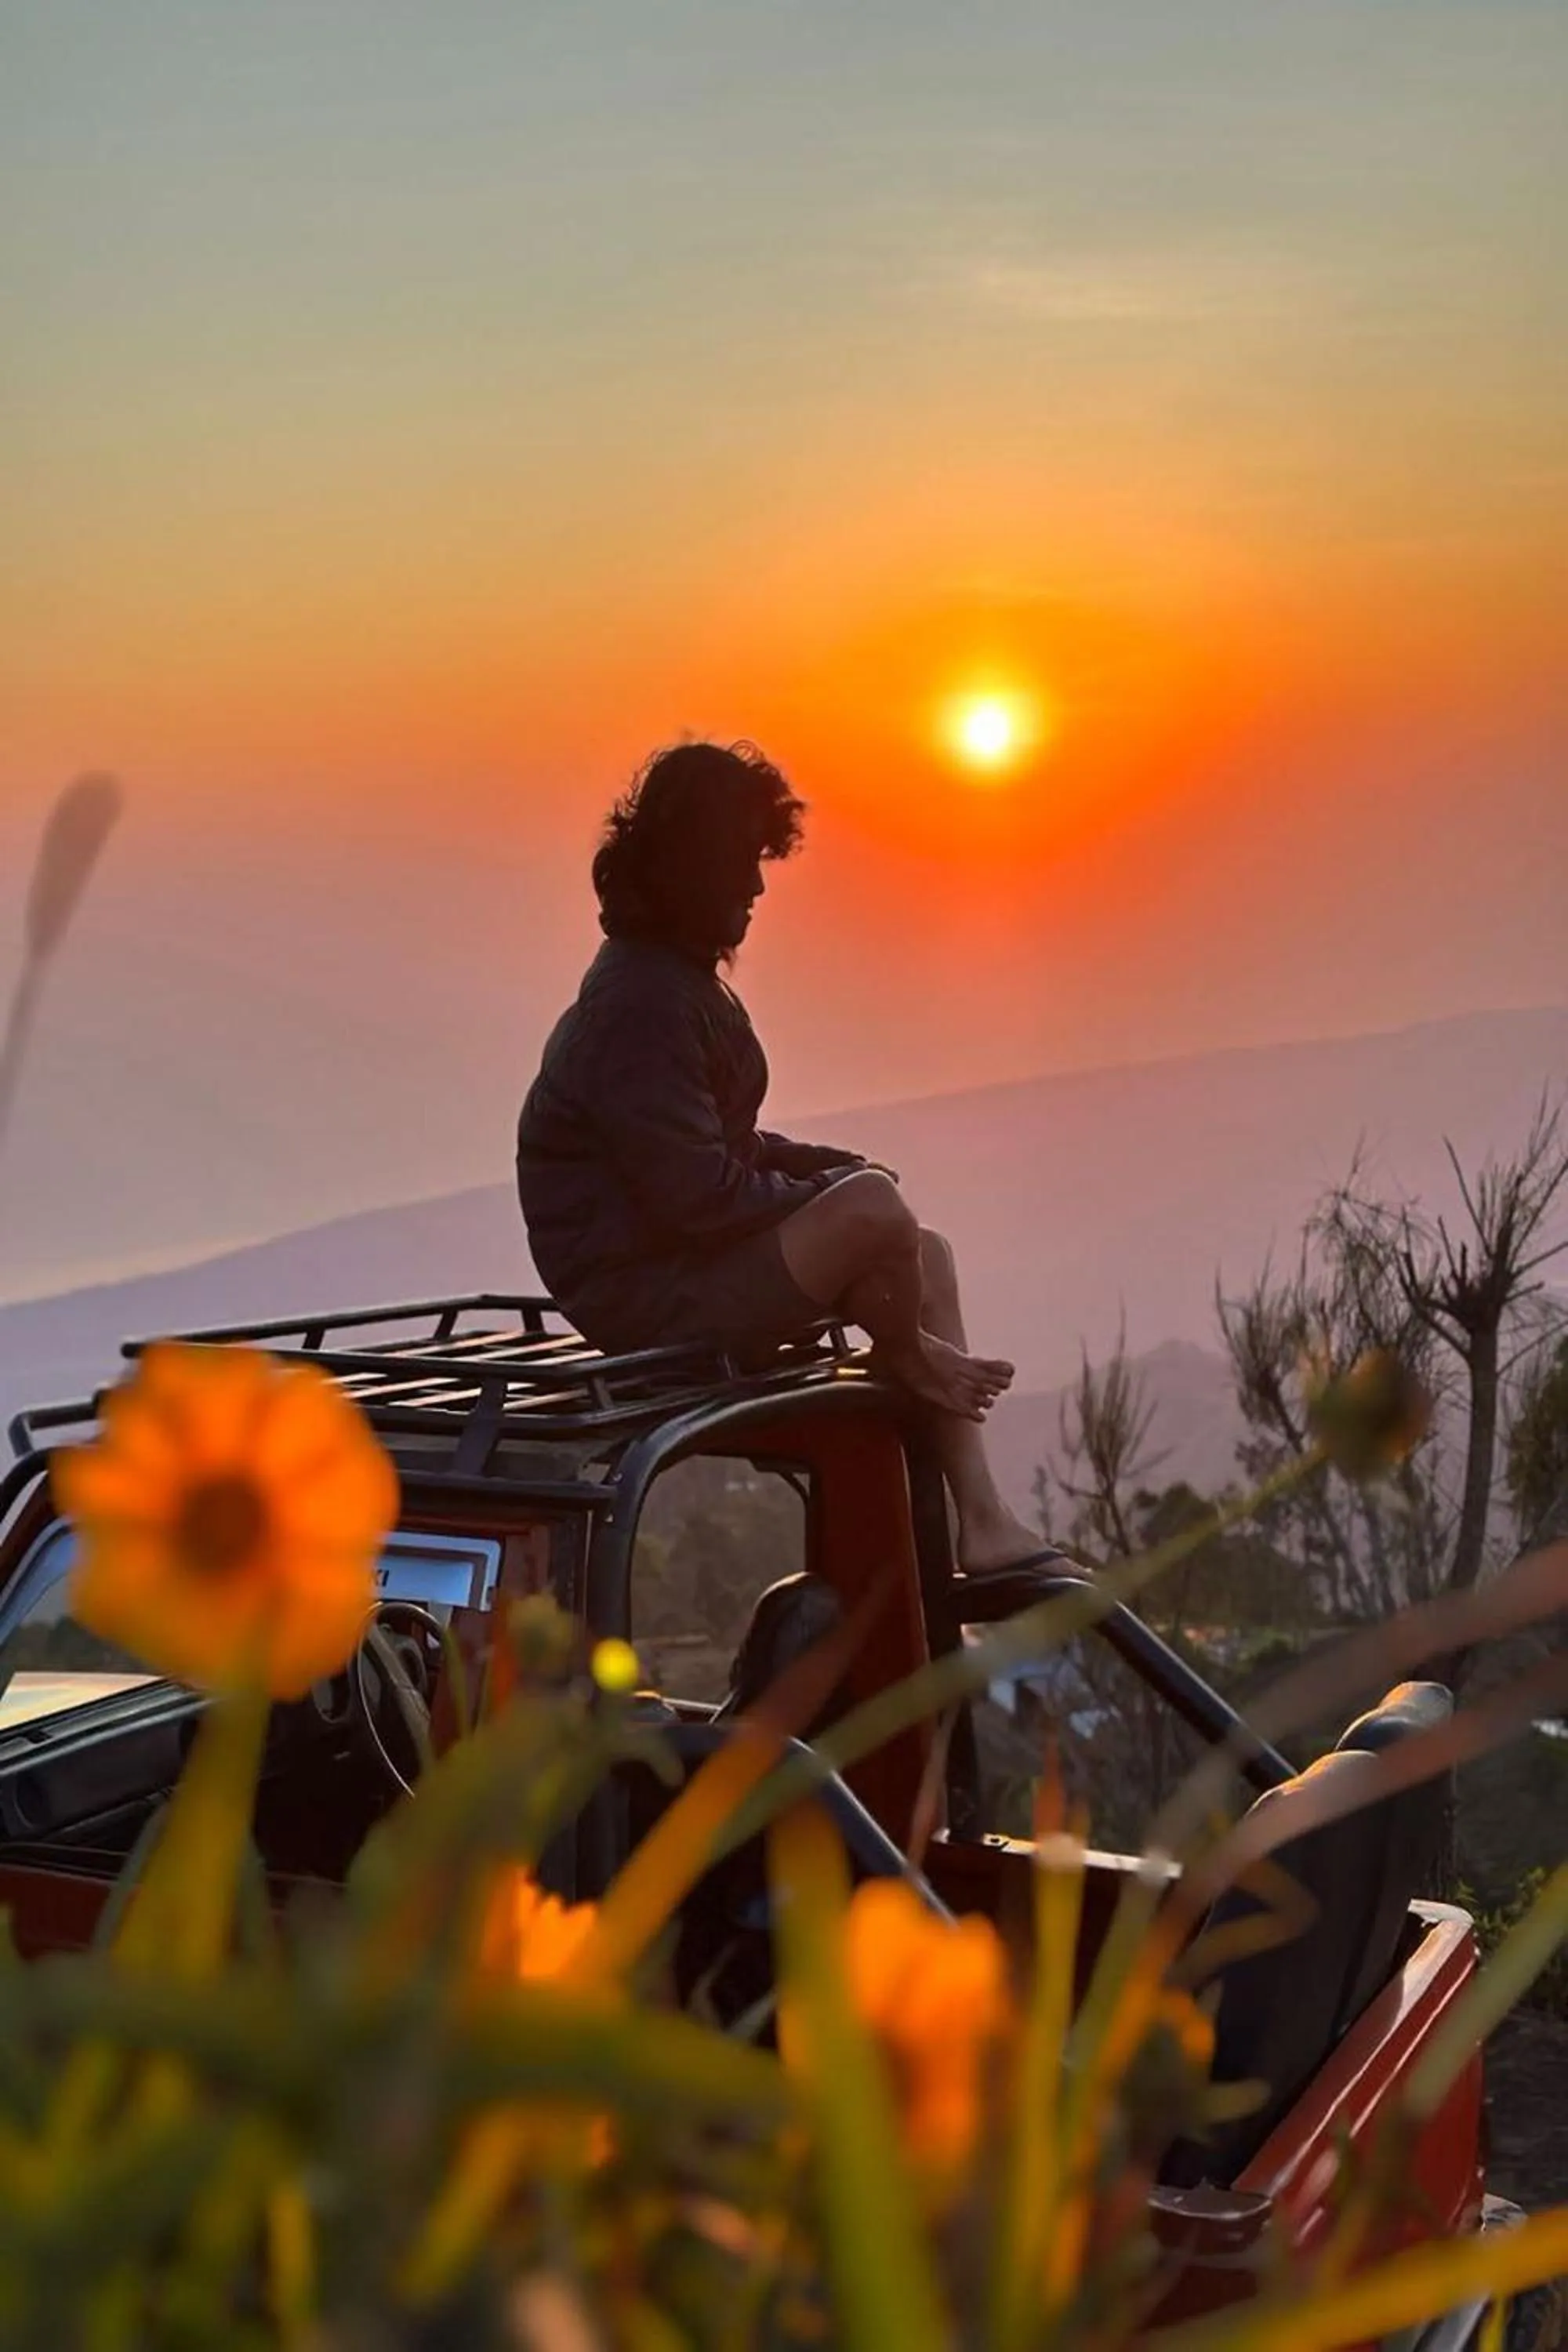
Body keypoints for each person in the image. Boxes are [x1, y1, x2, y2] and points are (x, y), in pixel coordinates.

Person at [516, 739, 1051, 1573]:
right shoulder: (640, 1006)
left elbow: (721, 1145)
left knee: (919, 1247)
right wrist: (846, 1204)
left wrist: (829, 1171)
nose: (758, 888)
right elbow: (697, 1197)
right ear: (691, 868)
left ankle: (978, 1519)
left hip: (682, 1261)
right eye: (741, 864)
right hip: (652, 1296)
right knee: (879, 1214)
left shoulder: (676, 982)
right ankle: (904, 1354)